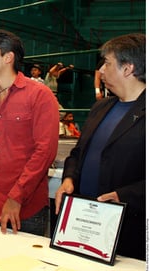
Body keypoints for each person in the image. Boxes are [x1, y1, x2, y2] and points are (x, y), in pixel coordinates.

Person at [55, 33, 145, 260]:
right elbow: (78, 153)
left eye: (107, 63)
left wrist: (124, 195)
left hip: (129, 232)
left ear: (128, 68)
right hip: (82, 225)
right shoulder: (101, 107)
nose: (101, 71)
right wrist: (69, 179)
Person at [0, 29, 59, 237]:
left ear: (8, 57)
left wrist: (16, 197)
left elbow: (45, 152)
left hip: (26, 214)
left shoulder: (39, 96)